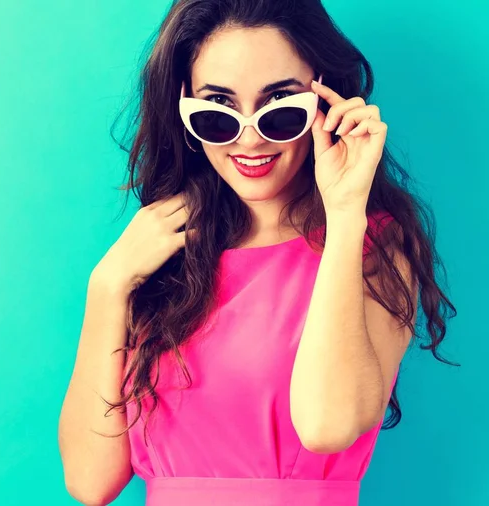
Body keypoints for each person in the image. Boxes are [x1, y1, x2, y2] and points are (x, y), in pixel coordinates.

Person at [58, 0, 458, 504]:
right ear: (185, 112)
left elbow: (326, 426)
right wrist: (108, 285)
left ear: (325, 100)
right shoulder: (161, 250)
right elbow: (90, 482)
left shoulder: (374, 243)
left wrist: (345, 209)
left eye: (281, 109)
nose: (249, 137)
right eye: (219, 112)